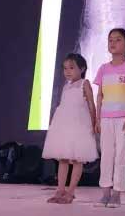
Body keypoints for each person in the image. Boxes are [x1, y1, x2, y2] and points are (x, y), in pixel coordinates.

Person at [93, 28, 125, 208]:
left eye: (118, 40)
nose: (113, 43)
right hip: (105, 119)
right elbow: (100, 96)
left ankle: (117, 194)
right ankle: (105, 193)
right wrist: (97, 119)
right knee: (106, 155)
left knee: (121, 155)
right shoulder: (103, 69)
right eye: (110, 40)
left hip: (123, 119)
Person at [42, 53, 98, 204]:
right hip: (64, 126)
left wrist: (94, 123)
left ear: (82, 68)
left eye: (71, 68)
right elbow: (62, 106)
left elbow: (91, 104)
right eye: (65, 68)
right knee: (63, 159)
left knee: (77, 159)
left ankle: (71, 192)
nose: (67, 71)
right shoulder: (66, 87)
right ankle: (60, 190)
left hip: (79, 125)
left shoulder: (84, 83)